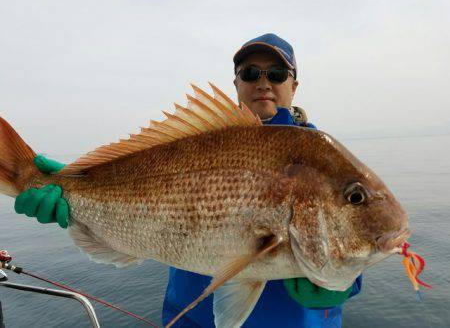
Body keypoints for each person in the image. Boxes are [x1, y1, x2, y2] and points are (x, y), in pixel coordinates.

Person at [14, 33, 362, 327]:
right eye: (251, 72)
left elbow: (356, 237)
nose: (263, 81)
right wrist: (73, 184)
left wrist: (343, 284)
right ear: (237, 83)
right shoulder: (203, 140)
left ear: (294, 84)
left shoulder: (321, 157)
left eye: (277, 72)